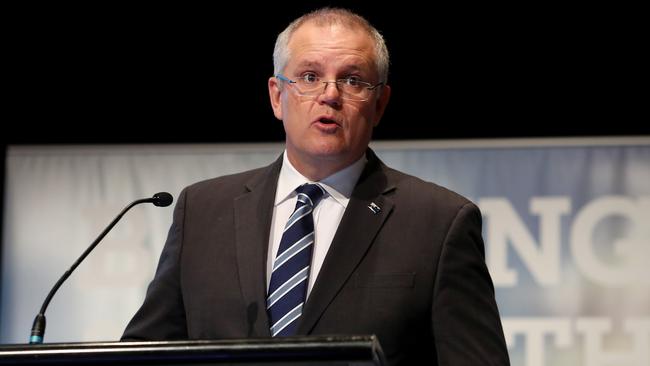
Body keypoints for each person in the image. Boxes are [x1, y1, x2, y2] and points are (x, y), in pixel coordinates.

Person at [122, 7, 510, 366]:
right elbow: (140, 355)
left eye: (352, 80)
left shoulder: (439, 224)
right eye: (309, 77)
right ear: (277, 96)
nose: (329, 95)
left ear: (379, 105)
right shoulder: (203, 211)